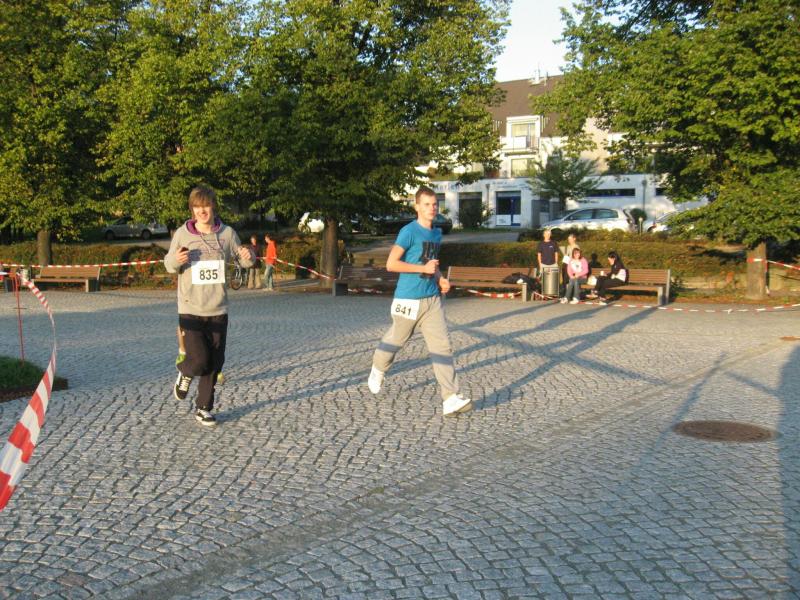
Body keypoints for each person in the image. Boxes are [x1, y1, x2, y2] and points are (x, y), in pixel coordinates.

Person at [367, 186, 472, 417]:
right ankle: (378, 367)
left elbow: (431, 263)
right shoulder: (409, 232)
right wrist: (421, 269)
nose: (432, 208)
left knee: (442, 347)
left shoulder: (436, 233)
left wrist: (440, 278)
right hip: (409, 298)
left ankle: (450, 398)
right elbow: (391, 264)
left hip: (432, 299)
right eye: (426, 204)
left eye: (435, 204)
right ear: (417, 207)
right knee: (396, 341)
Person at [165, 185, 254, 426]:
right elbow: (169, 264)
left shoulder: (227, 234)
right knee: (200, 359)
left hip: (218, 308)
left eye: (205, 206)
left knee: (215, 362)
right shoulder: (182, 234)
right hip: (190, 309)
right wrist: (176, 260)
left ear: (213, 206)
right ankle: (185, 370)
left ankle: (203, 408)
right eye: (197, 207)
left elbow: (243, 260)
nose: (202, 211)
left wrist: (249, 256)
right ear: (192, 209)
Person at [537, 228, 560, 297]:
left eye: (549, 234)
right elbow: (539, 255)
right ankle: (543, 294)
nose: (548, 235)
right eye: (546, 234)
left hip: (553, 264)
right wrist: (540, 264)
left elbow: (556, 253)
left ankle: (554, 294)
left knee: (554, 280)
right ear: (544, 235)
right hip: (544, 264)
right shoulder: (540, 244)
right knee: (543, 280)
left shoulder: (554, 243)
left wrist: (556, 262)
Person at [560, 233, 579, 298]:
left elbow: (576, 257)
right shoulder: (568, 246)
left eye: (570, 239)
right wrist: (565, 256)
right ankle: (565, 293)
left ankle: (568, 294)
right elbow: (567, 255)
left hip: (572, 265)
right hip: (566, 263)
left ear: (574, 239)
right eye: (568, 239)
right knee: (564, 279)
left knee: (568, 279)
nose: (569, 240)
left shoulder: (576, 247)